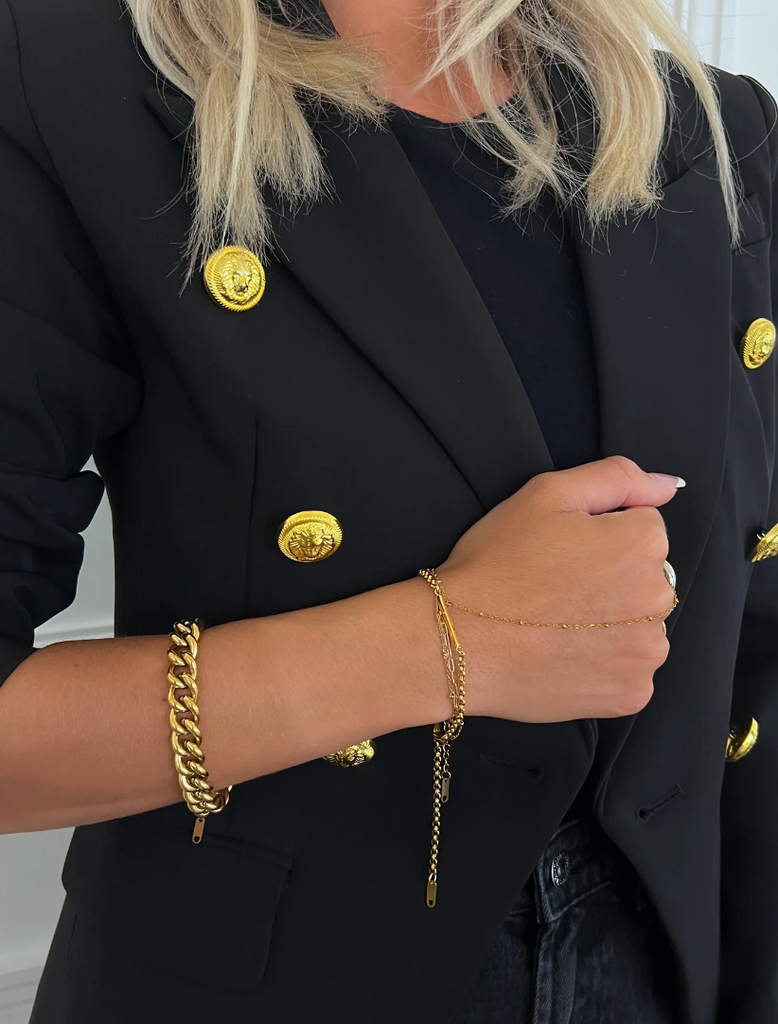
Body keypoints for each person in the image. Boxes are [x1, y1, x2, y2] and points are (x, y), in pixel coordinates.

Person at [0, 0, 776, 1020]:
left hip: (657, 966)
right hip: (275, 983)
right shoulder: (67, 80)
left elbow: (755, 652)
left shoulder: (712, 129)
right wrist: (436, 644)